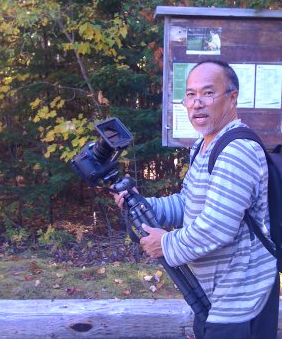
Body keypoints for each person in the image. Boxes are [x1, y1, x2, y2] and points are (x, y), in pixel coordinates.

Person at [112, 60, 280, 339]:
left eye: (208, 93)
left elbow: (216, 229)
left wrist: (164, 243)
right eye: (190, 94)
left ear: (232, 97)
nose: (197, 103)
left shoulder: (237, 151)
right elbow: (188, 202)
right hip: (215, 297)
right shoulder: (205, 146)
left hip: (241, 301)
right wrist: (143, 204)